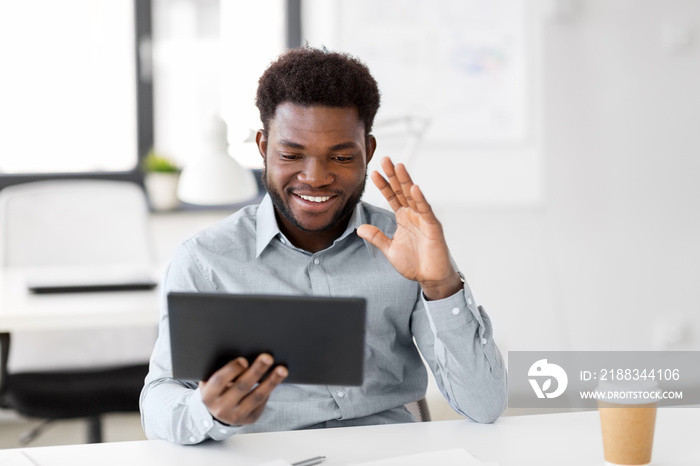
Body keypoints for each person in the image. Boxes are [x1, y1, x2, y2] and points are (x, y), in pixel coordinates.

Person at [140, 47, 507, 444]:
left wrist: (441, 285)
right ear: (263, 148)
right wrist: (208, 412)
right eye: (291, 154)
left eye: (341, 156)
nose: (315, 178)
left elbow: (484, 406)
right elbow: (159, 401)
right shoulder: (206, 260)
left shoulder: (407, 247)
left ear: (367, 151)